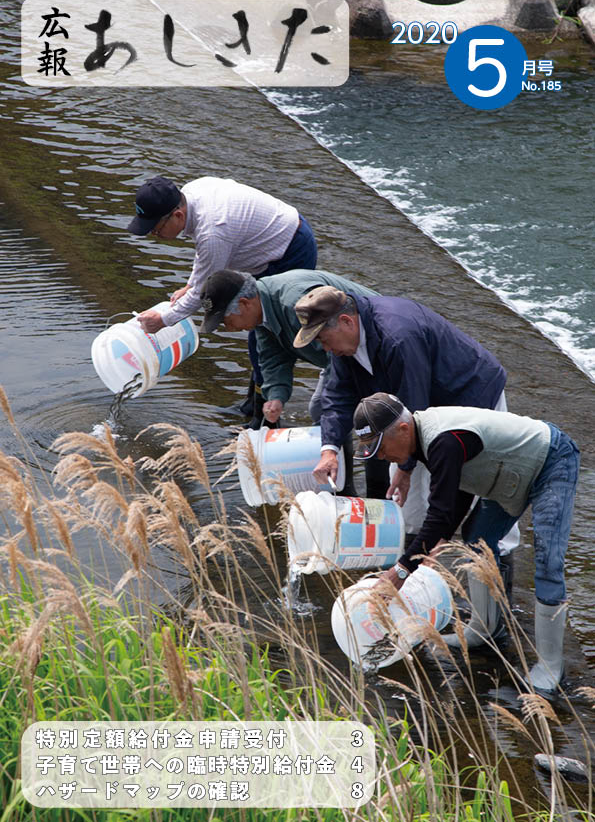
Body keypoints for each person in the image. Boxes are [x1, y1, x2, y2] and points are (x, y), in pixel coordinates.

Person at [352, 392, 579, 693]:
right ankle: (486, 631)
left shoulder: (442, 440)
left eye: (379, 448)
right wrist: (437, 542)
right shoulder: (425, 440)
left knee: (548, 561)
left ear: (404, 430)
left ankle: (551, 665)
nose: (380, 457)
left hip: (550, 461)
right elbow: (457, 492)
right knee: (476, 541)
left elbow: (441, 511)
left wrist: (400, 572)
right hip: (509, 472)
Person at [298, 286, 519, 568]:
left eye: (323, 339)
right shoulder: (343, 347)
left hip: (471, 399)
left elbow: (415, 408)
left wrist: (406, 468)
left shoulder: (398, 336)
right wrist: (329, 449)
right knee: (406, 501)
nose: (325, 349)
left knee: (479, 491)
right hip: (411, 413)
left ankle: (498, 574)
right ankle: (414, 567)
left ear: (346, 322)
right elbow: (337, 398)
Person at [127, 175, 317, 417]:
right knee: (258, 335)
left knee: (265, 331)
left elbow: (200, 292)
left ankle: (264, 411)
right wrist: (190, 284)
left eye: (155, 227)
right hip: (270, 242)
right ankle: (256, 403)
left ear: (177, 215)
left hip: (290, 250)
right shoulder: (192, 194)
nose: (153, 233)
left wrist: (163, 320)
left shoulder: (214, 230)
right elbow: (204, 263)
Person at [198, 268, 378, 494]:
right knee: (322, 409)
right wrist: (276, 397)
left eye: (225, 320)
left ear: (244, 304)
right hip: (337, 356)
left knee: (362, 417)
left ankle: (353, 487)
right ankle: (337, 478)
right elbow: (273, 359)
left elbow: (340, 352)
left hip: (370, 348)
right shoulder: (262, 316)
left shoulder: (295, 303)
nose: (228, 328)